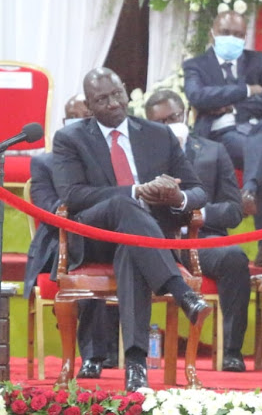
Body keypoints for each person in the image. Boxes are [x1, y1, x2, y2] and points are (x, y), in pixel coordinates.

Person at [53, 68, 211, 391]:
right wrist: (136, 191)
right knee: (126, 202)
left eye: (116, 94)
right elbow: (73, 196)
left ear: (126, 90)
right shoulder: (70, 139)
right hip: (97, 236)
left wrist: (177, 197)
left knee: (132, 250)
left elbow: (197, 191)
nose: (112, 103)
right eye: (101, 99)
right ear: (90, 105)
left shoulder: (158, 135)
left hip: (144, 241)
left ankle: (136, 367)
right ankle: (183, 293)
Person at [144, 89, 251, 372]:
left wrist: (198, 213)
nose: (170, 125)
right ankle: (108, 353)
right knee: (117, 253)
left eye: (175, 117)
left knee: (235, 258)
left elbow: (233, 210)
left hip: (202, 241)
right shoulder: (142, 157)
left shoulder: (214, 152)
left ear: (187, 115)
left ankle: (231, 351)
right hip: (155, 241)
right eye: (161, 122)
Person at [24, 95, 119, 379]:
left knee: (115, 252)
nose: (78, 121)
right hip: (57, 243)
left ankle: (119, 351)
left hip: (102, 239)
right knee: (81, 255)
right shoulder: (44, 163)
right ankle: (93, 355)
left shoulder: (111, 160)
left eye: (84, 115)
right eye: (72, 116)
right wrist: (88, 210)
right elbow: (49, 210)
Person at [184, 10, 262, 268]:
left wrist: (232, 107)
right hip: (220, 138)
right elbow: (198, 97)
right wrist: (246, 90)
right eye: (227, 33)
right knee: (261, 157)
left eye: (239, 35)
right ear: (213, 33)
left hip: (253, 132)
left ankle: (248, 190)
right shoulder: (196, 65)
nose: (233, 39)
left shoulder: (258, 61)